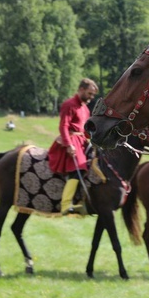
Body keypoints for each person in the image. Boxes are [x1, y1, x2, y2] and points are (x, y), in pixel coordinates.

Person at [48, 78, 99, 215]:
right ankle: (65, 204)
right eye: (89, 94)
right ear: (81, 89)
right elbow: (63, 126)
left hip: (82, 141)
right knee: (78, 168)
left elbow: (85, 130)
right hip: (70, 142)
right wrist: (69, 144)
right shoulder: (69, 104)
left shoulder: (85, 109)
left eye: (93, 95)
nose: (91, 97)